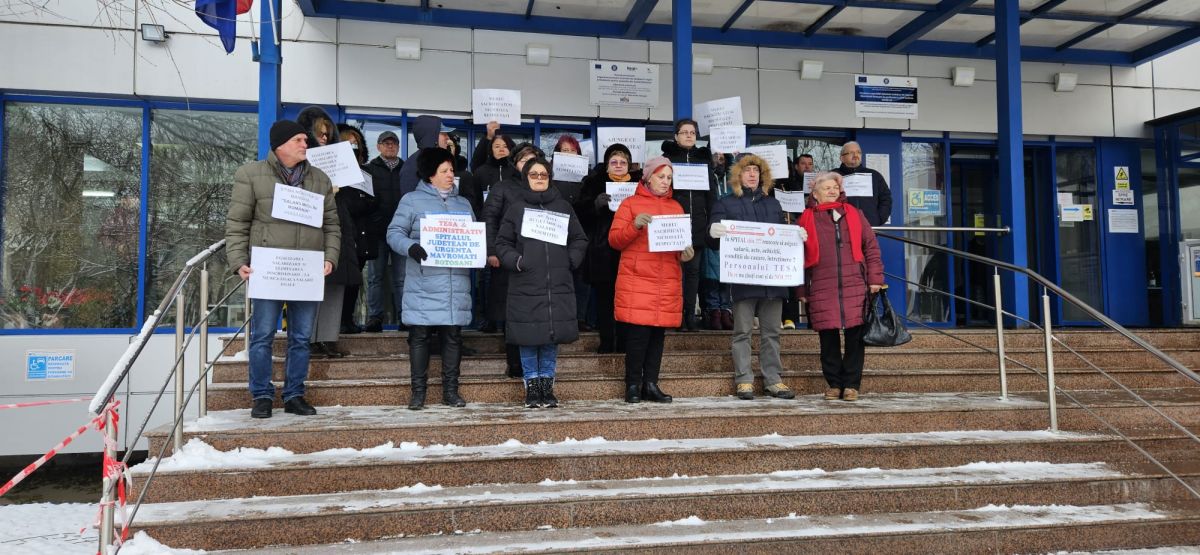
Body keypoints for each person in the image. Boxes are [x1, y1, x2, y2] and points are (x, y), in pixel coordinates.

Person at [225, 119, 340, 418]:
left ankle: (294, 395)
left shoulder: (320, 179)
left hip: (305, 271)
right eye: (299, 140)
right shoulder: (250, 174)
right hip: (269, 270)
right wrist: (238, 261)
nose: (305, 144)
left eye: (305, 140)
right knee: (262, 335)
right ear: (280, 145)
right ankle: (261, 395)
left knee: (301, 337)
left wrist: (330, 257)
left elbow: (332, 225)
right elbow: (237, 222)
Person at [495, 158, 588, 408]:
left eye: (543, 174)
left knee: (550, 337)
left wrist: (570, 260)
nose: (539, 178)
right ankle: (532, 388)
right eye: (534, 174)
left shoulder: (563, 207)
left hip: (557, 283)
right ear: (525, 178)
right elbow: (502, 243)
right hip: (525, 283)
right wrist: (517, 261)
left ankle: (547, 387)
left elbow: (579, 238)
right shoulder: (516, 208)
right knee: (528, 337)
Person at [386, 147, 474, 410]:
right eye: (444, 170)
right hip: (423, 283)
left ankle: (451, 391)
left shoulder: (464, 203)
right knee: (419, 336)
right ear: (429, 175)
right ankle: (418, 393)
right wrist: (411, 247)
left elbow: (473, 237)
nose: (450, 175)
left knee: (453, 337)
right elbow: (394, 233)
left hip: (455, 283)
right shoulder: (411, 200)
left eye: (451, 170)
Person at [707, 154, 798, 400]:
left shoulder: (774, 204)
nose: (752, 174)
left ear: (762, 175)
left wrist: (795, 235)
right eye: (747, 170)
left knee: (772, 333)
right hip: (743, 279)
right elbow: (712, 241)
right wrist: (712, 232)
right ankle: (744, 380)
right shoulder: (725, 203)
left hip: (772, 280)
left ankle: (773, 380)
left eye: (756, 171)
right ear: (738, 175)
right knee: (742, 332)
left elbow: (782, 236)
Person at [609, 156, 693, 404]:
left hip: (666, 279)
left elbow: (679, 247)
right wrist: (634, 226)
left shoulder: (676, 207)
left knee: (658, 336)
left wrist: (685, 255)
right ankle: (633, 385)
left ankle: (651, 384)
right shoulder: (630, 204)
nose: (666, 181)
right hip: (638, 279)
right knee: (638, 336)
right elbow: (614, 241)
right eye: (661, 176)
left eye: (669, 178)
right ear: (647, 178)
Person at [797, 172, 884, 402]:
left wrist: (875, 278)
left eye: (835, 187)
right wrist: (801, 290)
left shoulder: (855, 214)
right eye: (826, 188)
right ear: (815, 194)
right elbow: (797, 256)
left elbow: (871, 248)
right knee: (828, 339)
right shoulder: (805, 219)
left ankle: (852, 385)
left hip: (855, 283)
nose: (832, 191)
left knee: (855, 337)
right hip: (821, 285)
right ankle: (834, 384)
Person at [297, 108, 357, 359]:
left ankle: (328, 338)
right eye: (319, 133)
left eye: (327, 133)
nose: (324, 137)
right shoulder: (298, 160)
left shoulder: (337, 157)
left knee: (335, 285)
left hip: (337, 226)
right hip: (310, 230)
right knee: (312, 287)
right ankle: (308, 338)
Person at [483, 143, 545, 377]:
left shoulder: (546, 187)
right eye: (523, 160)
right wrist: (492, 251)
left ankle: (537, 364)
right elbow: (490, 218)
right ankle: (515, 363)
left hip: (539, 262)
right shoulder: (503, 187)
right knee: (513, 313)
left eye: (533, 159)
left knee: (537, 312)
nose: (528, 165)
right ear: (515, 163)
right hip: (509, 259)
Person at [578, 144, 641, 354]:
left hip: (630, 251)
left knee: (627, 300)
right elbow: (579, 214)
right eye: (614, 162)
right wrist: (594, 205)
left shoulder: (639, 186)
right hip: (602, 252)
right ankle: (606, 340)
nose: (619, 165)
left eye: (623, 162)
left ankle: (623, 342)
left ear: (629, 165)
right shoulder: (594, 183)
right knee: (605, 301)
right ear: (606, 165)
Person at [661, 119, 715, 332]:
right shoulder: (667, 160)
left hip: (698, 225)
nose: (689, 136)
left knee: (693, 273)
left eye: (692, 132)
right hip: (673, 226)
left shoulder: (704, 160)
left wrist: (712, 219)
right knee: (674, 273)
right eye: (684, 132)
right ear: (676, 136)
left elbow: (711, 194)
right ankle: (673, 316)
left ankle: (689, 316)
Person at [335, 124, 378, 335]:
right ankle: (337, 321)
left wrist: (366, 202)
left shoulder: (366, 172)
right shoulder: (333, 173)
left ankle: (348, 319)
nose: (353, 147)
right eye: (349, 143)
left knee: (355, 279)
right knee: (340, 281)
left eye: (356, 143)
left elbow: (373, 201)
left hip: (361, 235)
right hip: (340, 235)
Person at [363, 130, 404, 332]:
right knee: (375, 278)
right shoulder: (369, 169)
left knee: (402, 279)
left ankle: (405, 317)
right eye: (386, 143)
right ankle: (375, 318)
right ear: (378, 146)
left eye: (393, 143)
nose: (390, 146)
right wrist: (374, 220)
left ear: (398, 146)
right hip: (377, 233)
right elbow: (364, 200)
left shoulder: (406, 170)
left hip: (401, 234)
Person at [549, 135, 592, 332]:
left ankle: (579, 317)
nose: (568, 154)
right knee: (558, 277)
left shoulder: (588, 178)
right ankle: (559, 317)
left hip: (581, 232)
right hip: (555, 232)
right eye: (564, 151)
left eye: (572, 151)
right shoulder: (549, 175)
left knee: (581, 279)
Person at [780, 153, 816, 330]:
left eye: (810, 164)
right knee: (788, 278)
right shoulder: (777, 186)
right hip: (786, 235)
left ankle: (813, 319)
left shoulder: (814, 186)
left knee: (810, 278)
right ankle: (789, 317)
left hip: (808, 234)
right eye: (803, 164)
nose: (807, 167)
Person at [834, 141, 892, 227]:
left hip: (869, 226)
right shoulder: (833, 175)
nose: (855, 155)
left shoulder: (874, 175)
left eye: (858, 152)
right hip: (842, 227)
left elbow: (886, 198)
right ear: (842, 158)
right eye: (851, 152)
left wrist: (879, 219)